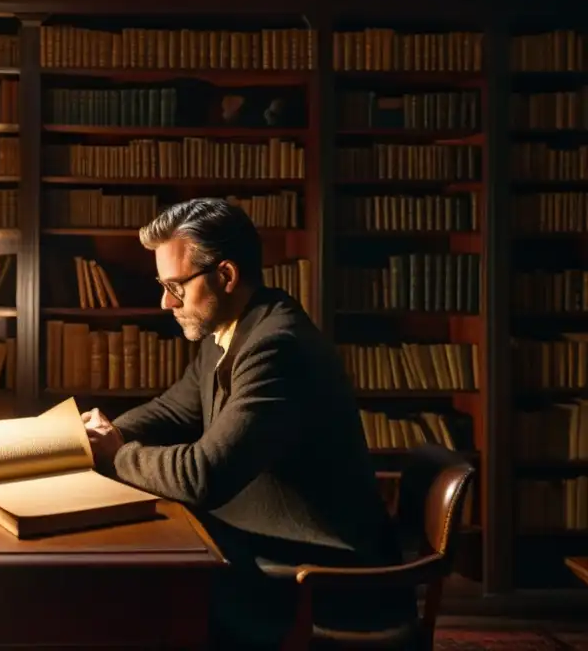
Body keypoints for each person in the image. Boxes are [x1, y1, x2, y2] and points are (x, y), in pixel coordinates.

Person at [81, 198, 415, 649]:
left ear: (226, 275)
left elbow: (205, 475)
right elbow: (175, 411)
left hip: (319, 578)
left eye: (176, 286)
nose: (165, 301)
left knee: (141, 598)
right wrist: (105, 432)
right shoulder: (232, 327)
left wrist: (115, 454)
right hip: (269, 551)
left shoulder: (276, 348)